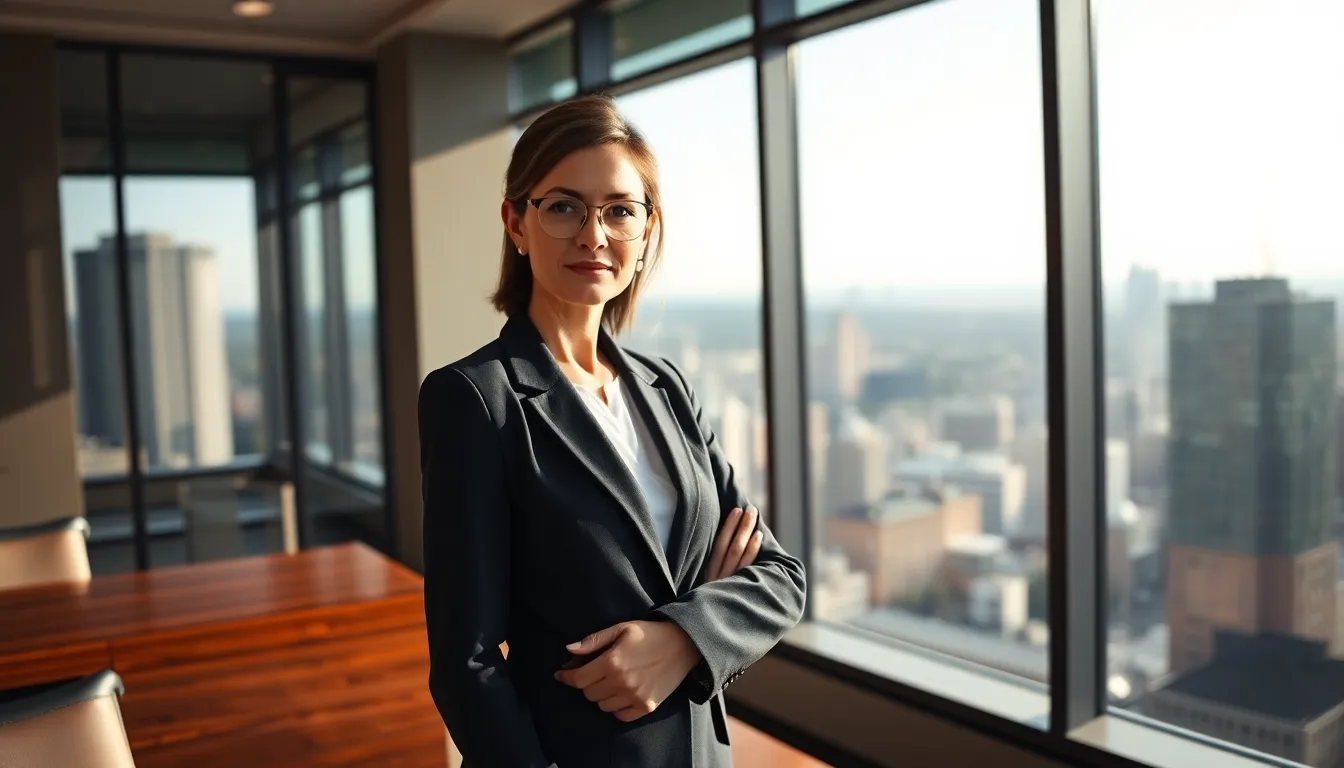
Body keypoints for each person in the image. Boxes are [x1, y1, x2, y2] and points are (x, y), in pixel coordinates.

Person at [418, 94, 807, 768]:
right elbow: (466, 663)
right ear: (515, 221)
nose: (594, 236)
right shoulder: (476, 400)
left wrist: (682, 638)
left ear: (647, 229)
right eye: (564, 206)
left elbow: (778, 577)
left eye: (620, 210)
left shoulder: (668, 388)